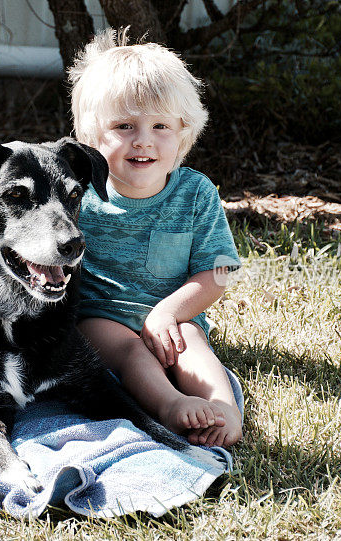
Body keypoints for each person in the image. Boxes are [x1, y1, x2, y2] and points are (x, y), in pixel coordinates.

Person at [68, 28, 243, 447]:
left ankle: (226, 410)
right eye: (125, 125)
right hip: (100, 317)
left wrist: (167, 313)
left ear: (183, 134)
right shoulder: (80, 195)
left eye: (161, 125)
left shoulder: (195, 193)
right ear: (92, 138)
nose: (143, 139)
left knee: (193, 345)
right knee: (131, 353)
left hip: (172, 316)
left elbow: (217, 272)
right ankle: (169, 407)